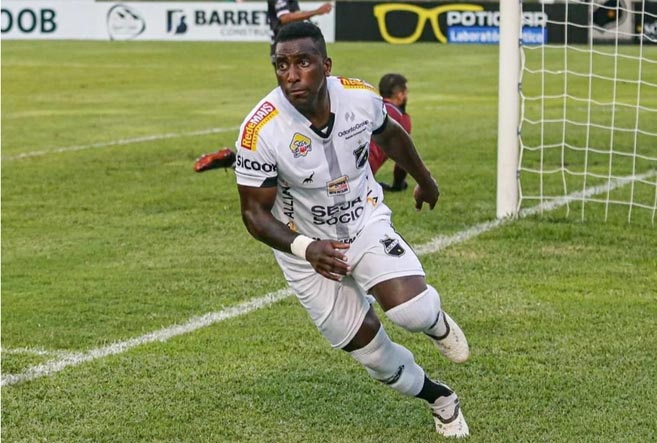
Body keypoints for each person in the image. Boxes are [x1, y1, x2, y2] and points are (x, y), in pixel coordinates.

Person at [231, 21, 470, 438]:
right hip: (305, 251)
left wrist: (425, 180)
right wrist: (306, 248)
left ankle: (435, 323)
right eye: (282, 65)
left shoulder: (359, 97)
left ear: (326, 66)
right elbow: (254, 214)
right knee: (377, 359)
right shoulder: (260, 130)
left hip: (363, 220)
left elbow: (390, 135)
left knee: (412, 312)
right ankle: (441, 399)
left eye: (303, 63)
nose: (291, 75)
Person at [369, 73, 412, 192]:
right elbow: (403, 158)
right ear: (400, 95)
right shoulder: (401, 118)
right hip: (364, 170)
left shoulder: (369, 107)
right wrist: (398, 184)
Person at [267, 0, 333, 64]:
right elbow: (284, 18)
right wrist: (317, 11)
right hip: (283, 45)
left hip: (291, 44)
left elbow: (295, 14)